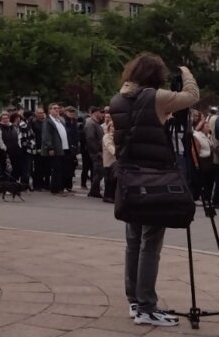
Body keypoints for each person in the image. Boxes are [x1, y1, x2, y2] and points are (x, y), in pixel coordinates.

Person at [109, 53, 198, 327]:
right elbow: (191, 96)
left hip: (130, 179)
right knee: (151, 244)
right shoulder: (156, 97)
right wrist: (185, 71)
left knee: (133, 241)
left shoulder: (118, 100)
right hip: (154, 179)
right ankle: (147, 305)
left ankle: (135, 301)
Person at [84, 107, 105, 198]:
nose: (102, 115)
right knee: (98, 172)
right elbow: (90, 139)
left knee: (99, 172)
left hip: (99, 152)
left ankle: (94, 190)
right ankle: (94, 191)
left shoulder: (95, 124)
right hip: (96, 153)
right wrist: (97, 152)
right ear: (95, 113)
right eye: (101, 113)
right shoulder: (91, 124)